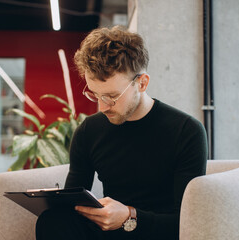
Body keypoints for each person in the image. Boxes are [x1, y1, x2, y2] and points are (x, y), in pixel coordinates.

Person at [36, 26, 208, 240]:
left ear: (142, 83)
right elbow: (74, 203)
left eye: (111, 96)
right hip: (108, 232)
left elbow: (188, 221)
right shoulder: (89, 131)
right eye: (95, 95)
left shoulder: (186, 131)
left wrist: (129, 216)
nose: (102, 107)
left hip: (158, 232)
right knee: (53, 220)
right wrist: (54, 201)